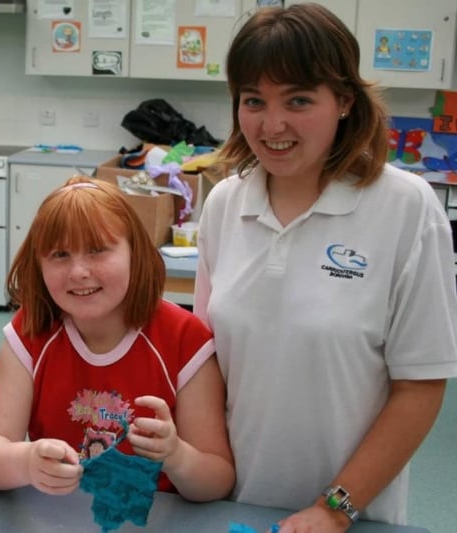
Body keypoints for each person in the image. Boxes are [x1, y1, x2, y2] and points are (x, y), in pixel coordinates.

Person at [194, 4, 457, 531]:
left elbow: (421, 384)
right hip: (231, 502)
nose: (273, 125)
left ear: (343, 101)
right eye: (254, 101)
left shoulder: (405, 208)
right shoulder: (225, 203)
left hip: (350, 514)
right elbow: (204, 366)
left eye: (298, 99)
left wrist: (334, 509)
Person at [0, 176, 234, 502]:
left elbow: (218, 479)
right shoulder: (32, 332)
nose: (79, 271)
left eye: (97, 250)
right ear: (38, 265)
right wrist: (24, 462)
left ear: (135, 253)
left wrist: (176, 455)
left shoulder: (184, 338)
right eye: (60, 254)